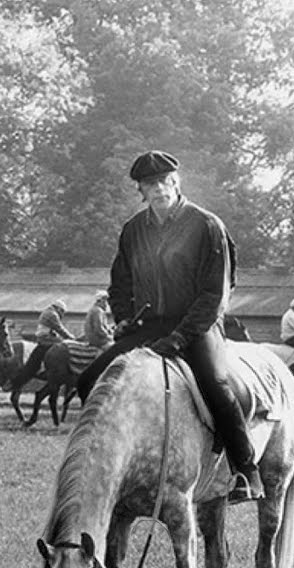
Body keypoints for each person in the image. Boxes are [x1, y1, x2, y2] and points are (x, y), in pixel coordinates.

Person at [76, 150, 263, 504]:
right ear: (141, 191)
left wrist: (180, 337)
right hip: (149, 324)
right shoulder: (133, 230)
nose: (159, 188)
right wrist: (124, 317)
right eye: (150, 184)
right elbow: (121, 282)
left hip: (198, 325)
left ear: (176, 182)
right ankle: (111, 459)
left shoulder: (206, 225)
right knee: (88, 380)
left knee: (216, 383)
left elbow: (215, 293)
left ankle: (246, 469)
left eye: (164, 181)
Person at [21, 298, 76, 381]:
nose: (62, 314)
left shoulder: (47, 312)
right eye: (62, 312)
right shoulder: (52, 314)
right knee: (63, 346)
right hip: (46, 338)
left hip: (44, 337)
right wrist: (71, 338)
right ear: (58, 308)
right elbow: (60, 329)